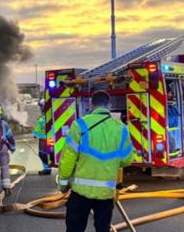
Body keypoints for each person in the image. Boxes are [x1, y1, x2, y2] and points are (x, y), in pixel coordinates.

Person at [58, 91, 134, 232]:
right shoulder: (122, 129)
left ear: (91, 104)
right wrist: (110, 163)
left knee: (74, 229)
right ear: (109, 105)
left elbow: (68, 159)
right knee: (102, 229)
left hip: (81, 192)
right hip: (106, 193)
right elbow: (127, 159)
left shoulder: (79, 125)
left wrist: (63, 183)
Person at [33, 99, 52, 175]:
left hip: (43, 140)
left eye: (41, 106)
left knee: (42, 154)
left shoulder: (42, 119)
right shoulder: (51, 116)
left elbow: (38, 129)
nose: (40, 108)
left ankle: (47, 168)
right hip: (50, 139)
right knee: (50, 153)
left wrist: (35, 134)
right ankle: (48, 168)